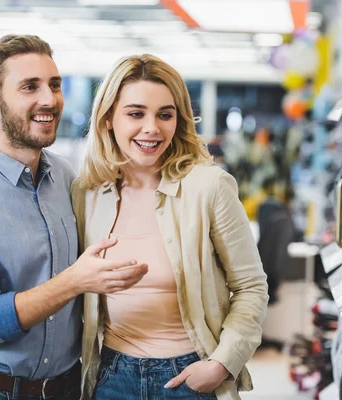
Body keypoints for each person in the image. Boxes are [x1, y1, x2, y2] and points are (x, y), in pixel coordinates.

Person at [0, 34, 148, 400]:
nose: (49, 99)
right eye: (30, 86)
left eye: (54, 85)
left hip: (66, 388)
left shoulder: (67, 178)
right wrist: (74, 281)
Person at [70, 54, 269, 400]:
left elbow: (251, 286)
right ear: (107, 120)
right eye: (135, 113)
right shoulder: (88, 193)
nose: (152, 128)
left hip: (189, 376)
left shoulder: (209, 187)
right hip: (113, 376)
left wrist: (221, 364)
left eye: (165, 114)